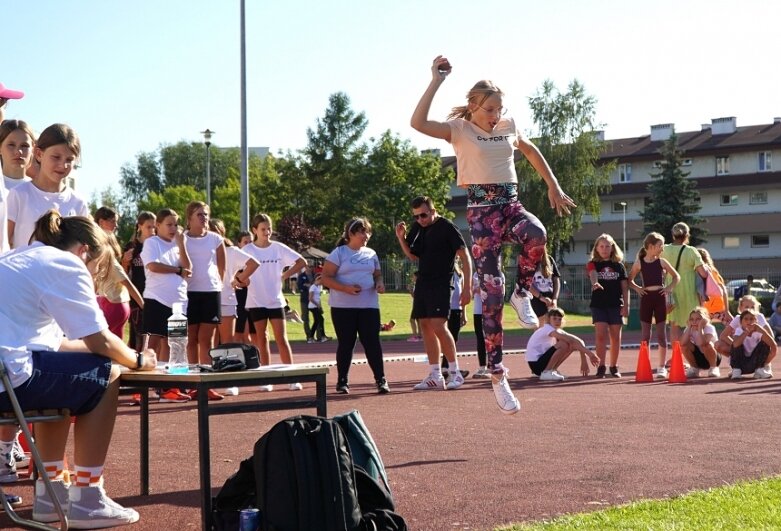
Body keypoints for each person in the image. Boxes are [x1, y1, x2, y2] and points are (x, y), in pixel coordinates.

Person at [410, 55, 576, 410]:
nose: (495, 114)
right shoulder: (459, 129)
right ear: (473, 106)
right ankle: (498, 374)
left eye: (499, 108)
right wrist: (436, 81)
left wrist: (553, 185)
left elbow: (530, 150)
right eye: (489, 108)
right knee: (491, 289)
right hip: (482, 214)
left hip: (510, 203)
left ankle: (522, 293)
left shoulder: (508, 125)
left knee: (536, 234)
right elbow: (418, 121)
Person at [0, 211, 156, 527]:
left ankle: (51, 494)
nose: (96, 278)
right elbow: (100, 342)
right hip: (8, 379)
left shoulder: (21, 258)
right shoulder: (67, 264)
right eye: (98, 268)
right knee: (108, 372)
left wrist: (121, 352)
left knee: (61, 379)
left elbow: (59, 346)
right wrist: (138, 360)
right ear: (85, 250)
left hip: (9, 371)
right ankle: (87, 497)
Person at [395, 197, 474, 397]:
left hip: (441, 282)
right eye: (416, 216)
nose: (420, 219)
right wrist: (401, 238)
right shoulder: (418, 228)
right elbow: (413, 256)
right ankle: (435, 375)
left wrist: (467, 288)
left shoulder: (447, 227)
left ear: (433, 210)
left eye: (423, 214)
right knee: (425, 326)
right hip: (423, 282)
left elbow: (465, 257)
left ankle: (455, 372)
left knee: (439, 325)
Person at [321, 217, 389, 394]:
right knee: (346, 343)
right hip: (343, 307)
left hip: (369, 305)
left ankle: (381, 380)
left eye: (368, 231)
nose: (366, 235)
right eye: (362, 232)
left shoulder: (371, 254)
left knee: (372, 342)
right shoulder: (339, 253)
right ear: (351, 234)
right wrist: (345, 288)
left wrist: (379, 283)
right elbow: (325, 278)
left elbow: (377, 275)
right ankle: (342, 381)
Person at [242, 213, 306, 391]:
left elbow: (301, 261)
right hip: (255, 300)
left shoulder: (278, 248)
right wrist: (242, 280)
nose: (267, 232)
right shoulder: (248, 251)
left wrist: (285, 274)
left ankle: (292, 377)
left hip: (275, 300)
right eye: (263, 229)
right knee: (261, 339)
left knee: (281, 338)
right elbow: (237, 270)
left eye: (269, 228)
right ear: (255, 230)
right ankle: (266, 378)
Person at [7, 124, 90, 249]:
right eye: (56, 157)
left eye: (69, 159)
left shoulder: (78, 203)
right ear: (39, 154)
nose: (63, 165)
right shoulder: (19, 195)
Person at [140, 208, 192, 403]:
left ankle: (170, 387)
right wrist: (177, 270)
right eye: (169, 224)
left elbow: (189, 268)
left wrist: (182, 245)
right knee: (153, 343)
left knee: (176, 344)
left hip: (178, 302)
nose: (173, 228)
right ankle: (145, 386)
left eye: (175, 225)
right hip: (157, 299)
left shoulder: (178, 244)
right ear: (159, 225)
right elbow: (153, 266)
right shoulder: (152, 243)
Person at [627, 232, 680, 379]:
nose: (662, 248)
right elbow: (629, 279)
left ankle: (661, 367)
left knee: (661, 334)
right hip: (646, 298)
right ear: (650, 246)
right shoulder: (639, 263)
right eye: (659, 246)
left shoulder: (662, 262)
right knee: (645, 335)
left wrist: (669, 288)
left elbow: (676, 276)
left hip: (660, 298)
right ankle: (646, 365)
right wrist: (638, 288)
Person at [183, 202, 225, 372]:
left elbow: (222, 267)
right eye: (199, 214)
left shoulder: (215, 239)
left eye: (206, 214)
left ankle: (207, 376)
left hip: (210, 292)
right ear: (189, 219)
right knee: (190, 339)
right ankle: (193, 376)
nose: (204, 218)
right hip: (188, 293)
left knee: (206, 339)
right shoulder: (181, 238)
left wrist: (216, 284)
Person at [587, 233, 629, 378]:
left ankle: (614, 366)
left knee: (615, 337)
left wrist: (626, 306)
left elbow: (624, 287)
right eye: (601, 246)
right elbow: (592, 274)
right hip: (599, 305)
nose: (604, 249)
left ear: (612, 248)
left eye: (607, 246)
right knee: (600, 336)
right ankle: (601, 367)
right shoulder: (593, 263)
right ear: (597, 248)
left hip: (616, 305)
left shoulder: (619, 266)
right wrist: (595, 283)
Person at [660, 222, 708, 343]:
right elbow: (703, 273)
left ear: (673, 235)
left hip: (672, 290)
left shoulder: (664, 249)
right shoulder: (691, 251)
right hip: (689, 291)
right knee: (694, 323)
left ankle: (676, 357)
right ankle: (695, 352)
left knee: (674, 326)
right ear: (687, 235)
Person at [91, 233, 144, 339]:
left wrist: (143, 306)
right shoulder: (103, 264)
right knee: (116, 340)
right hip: (111, 303)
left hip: (114, 305)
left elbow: (129, 285)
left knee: (103, 339)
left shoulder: (113, 265)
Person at [525, 308, 599, 380]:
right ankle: (547, 372)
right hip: (536, 365)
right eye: (554, 318)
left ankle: (552, 370)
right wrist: (590, 354)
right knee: (563, 344)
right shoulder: (547, 328)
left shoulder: (557, 330)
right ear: (548, 319)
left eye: (559, 319)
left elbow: (579, 341)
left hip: (541, 363)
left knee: (570, 345)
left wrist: (584, 361)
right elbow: (570, 341)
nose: (557, 321)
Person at [0, 120, 35, 254]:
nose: (18, 151)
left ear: (34, 149)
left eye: (25, 145)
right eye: (11, 145)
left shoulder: (39, 190)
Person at [122, 211, 156, 350]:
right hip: (137, 295)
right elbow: (123, 274)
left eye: (155, 227)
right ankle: (137, 363)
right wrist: (124, 261)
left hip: (155, 293)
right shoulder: (133, 247)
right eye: (149, 227)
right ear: (140, 226)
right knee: (138, 335)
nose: (152, 231)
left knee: (154, 335)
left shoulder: (157, 244)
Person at [728, 309, 776, 379]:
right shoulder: (739, 330)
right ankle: (736, 370)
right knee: (736, 343)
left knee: (765, 342)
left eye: (751, 319)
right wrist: (746, 332)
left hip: (754, 363)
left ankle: (759, 369)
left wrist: (762, 330)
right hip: (741, 363)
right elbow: (735, 345)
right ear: (741, 322)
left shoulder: (758, 331)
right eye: (746, 319)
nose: (749, 321)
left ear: (756, 321)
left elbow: (773, 345)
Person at [441, 259, 469, 378]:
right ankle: (447, 368)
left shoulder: (460, 273)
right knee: (447, 339)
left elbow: (463, 293)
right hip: (446, 309)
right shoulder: (445, 271)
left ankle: (446, 367)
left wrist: (464, 313)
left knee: (454, 339)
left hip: (457, 309)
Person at [679, 307, 721, 378]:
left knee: (707, 344)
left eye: (698, 319)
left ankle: (713, 368)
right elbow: (682, 343)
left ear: (704, 319)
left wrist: (700, 328)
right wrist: (689, 327)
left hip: (713, 358)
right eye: (692, 319)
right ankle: (694, 369)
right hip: (699, 359)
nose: (694, 322)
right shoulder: (689, 328)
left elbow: (702, 343)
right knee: (685, 345)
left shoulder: (710, 328)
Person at [696, 247, 731, 324]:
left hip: (711, 307)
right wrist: (726, 310)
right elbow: (723, 290)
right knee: (731, 326)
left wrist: (726, 310)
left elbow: (722, 289)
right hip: (714, 307)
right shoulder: (710, 271)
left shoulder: (710, 271)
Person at [233, 230, 256, 344]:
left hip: (255, 298)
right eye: (245, 242)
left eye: (251, 242)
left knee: (257, 334)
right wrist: (241, 279)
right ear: (239, 244)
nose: (248, 245)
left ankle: (257, 359)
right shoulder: (236, 259)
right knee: (239, 334)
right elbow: (239, 281)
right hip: (240, 299)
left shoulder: (257, 260)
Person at [529, 253, 561, 328]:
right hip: (536, 297)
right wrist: (541, 298)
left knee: (553, 323)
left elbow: (556, 280)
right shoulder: (529, 261)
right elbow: (527, 284)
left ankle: (552, 339)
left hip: (550, 298)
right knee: (540, 324)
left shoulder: (549, 259)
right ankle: (538, 339)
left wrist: (555, 299)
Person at [471, 271, 490, 379]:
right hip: (478, 310)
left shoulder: (497, 273)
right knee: (480, 338)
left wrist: (480, 290)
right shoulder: (475, 274)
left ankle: (493, 366)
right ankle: (482, 366)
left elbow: (500, 291)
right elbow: (471, 290)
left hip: (490, 310)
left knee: (491, 338)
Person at [297, 263, 314, 342]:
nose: (310, 268)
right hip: (304, 299)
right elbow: (300, 286)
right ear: (305, 267)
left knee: (318, 318)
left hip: (314, 300)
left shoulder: (315, 275)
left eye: (312, 266)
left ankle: (320, 336)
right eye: (309, 266)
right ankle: (309, 336)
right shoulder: (301, 276)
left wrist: (309, 285)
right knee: (306, 318)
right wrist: (306, 286)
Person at [308, 274, 327, 342]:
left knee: (316, 321)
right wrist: (317, 305)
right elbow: (310, 298)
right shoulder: (313, 287)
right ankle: (323, 336)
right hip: (313, 306)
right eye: (321, 281)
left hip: (316, 306)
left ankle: (310, 338)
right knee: (321, 319)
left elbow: (318, 298)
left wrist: (320, 307)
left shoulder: (319, 287)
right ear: (318, 279)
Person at [407, 271, 421, 342]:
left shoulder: (418, 285)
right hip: (418, 305)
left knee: (412, 320)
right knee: (419, 320)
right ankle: (420, 336)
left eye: (413, 276)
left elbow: (416, 296)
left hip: (417, 305)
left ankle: (415, 336)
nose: (412, 278)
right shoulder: (418, 284)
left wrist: (410, 291)